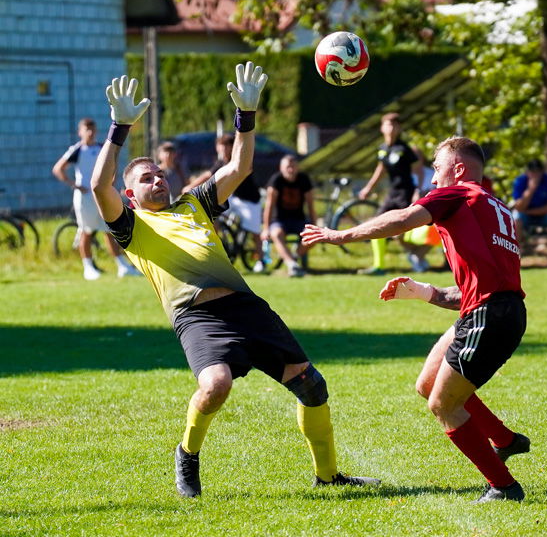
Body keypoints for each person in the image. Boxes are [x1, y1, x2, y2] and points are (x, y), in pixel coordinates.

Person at [90, 63, 379, 498]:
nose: (158, 180)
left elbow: (240, 167)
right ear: (130, 194)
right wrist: (119, 128)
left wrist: (245, 116)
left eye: (160, 174)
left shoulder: (193, 203)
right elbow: (98, 185)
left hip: (245, 306)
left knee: (311, 385)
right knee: (216, 384)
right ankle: (186, 454)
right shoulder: (129, 225)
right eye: (146, 178)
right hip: (197, 316)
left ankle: (328, 476)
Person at [302, 137, 528, 502]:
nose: (433, 180)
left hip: (490, 316)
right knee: (428, 383)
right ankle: (505, 440)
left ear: (458, 169)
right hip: (495, 311)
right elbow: (476, 290)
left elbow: (402, 218)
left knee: (443, 404)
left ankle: (505, 487)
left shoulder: (459, 193)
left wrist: (339, 235)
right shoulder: (492, 207)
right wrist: (423, 292)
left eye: (437, 169)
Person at [52, 117, 140, 280]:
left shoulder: (102, 148)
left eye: (93, 129)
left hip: (100, 195)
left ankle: (122, 265)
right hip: (84, 198)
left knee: (108, 229)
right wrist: (74, 185)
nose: (91, 133)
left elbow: (112, 165)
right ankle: (88, 267)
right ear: (80, 132)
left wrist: (110, 182)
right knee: (86, 230)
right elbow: (58, 169)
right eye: (87, 130)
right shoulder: (76, 150)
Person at [185, 133, 266, 273]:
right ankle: (215, 250)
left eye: (225, 147)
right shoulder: (220, 162)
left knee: (255, 232)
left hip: (249, 200)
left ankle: (261, 261)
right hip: (232, 199)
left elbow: (240, 173)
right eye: (219, 147)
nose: (222, 150)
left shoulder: (241, 160)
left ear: (232, 147)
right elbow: (208, 176)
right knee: (209, 215)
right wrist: (190, 187)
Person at [357, 112, 423, 275]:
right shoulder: (383, 149)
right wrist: (368, 188)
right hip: (392, 193)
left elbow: (419, 171)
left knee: (405, 231)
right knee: (377, 225)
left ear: (399, 128)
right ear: (382, 128)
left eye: (394, 125)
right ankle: (379, 266)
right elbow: (381, 169)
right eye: (388, 124)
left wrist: (418, 191)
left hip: (406, 193)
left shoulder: (404, 149)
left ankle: (419, 256)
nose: (391, 128)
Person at [262, 153, 316, 277]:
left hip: (299, 219)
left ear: (297, 168)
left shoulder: (304, 179)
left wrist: (315, 224)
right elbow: (269, 206)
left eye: (293, 167)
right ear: (281, 168)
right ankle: (292, 264)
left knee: (313, 236)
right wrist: (265, 228)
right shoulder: (276, 180)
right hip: (279, 220)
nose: (290, 170)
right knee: (276, 234)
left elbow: (310, 204)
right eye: (287, 167)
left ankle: (294, 256)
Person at [511, 159, 547, 266]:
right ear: (527, 172)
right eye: (532, 171)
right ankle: (514, 256)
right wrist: (531, 189)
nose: (535, 174)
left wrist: (530, 211)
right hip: (525, 215)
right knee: (516, 218)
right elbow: (519, 207)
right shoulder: (520, 181)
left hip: (543, 215)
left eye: (538, 171)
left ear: (542, 171)